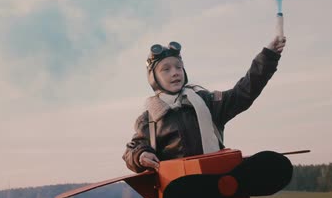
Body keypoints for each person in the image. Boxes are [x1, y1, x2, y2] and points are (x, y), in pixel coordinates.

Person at [122, 36, 286, 173]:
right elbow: (132, 150)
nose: (175, 72)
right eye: (166, 69)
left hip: (218, 180)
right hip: (180, 192)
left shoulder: (207, 102)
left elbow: (244, 92)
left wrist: (268, 57)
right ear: (153, 78)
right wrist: (140, 155)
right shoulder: (149, 120)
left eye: (179, 67)